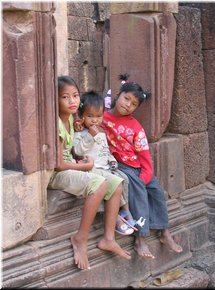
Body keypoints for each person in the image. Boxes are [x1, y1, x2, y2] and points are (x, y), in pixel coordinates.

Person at [48, 76, 131, 270]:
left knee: (116, 182)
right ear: (55, 99)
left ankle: (108, 238)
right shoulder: (57, 124)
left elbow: (74, 147)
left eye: (75, 96)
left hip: (73, 165)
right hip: (58, 174)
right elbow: (59, 164)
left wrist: (81, 126)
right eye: (65, 97)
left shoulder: (69, 119)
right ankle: (80, 238)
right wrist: (85, 166)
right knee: (99, 184)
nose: (72, 101)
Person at [102, 73, 183, 259]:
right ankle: (140, 238)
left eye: (133, 104)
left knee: (157, 191)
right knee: (138, 191)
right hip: (120, 166)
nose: (127, 104)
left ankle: (164, 231)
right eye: (126, 98)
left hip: (138, 167)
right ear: (118, 95)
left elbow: (144, 156)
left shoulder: (135, 127)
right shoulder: (103, 118)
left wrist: (145, 177)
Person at [73, 90, 138, 236]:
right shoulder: (79, 134)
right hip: (93, 169)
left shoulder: (102, 133)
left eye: (98, 116)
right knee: (111, 184)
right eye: (90, 116)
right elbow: (77, 151)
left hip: (106, 167)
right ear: (81, 116)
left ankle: (126, 211)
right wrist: (89, 136)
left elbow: (105, 150)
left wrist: (112, 161)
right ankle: (116, 218)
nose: (95, 121)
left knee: (124, 179)